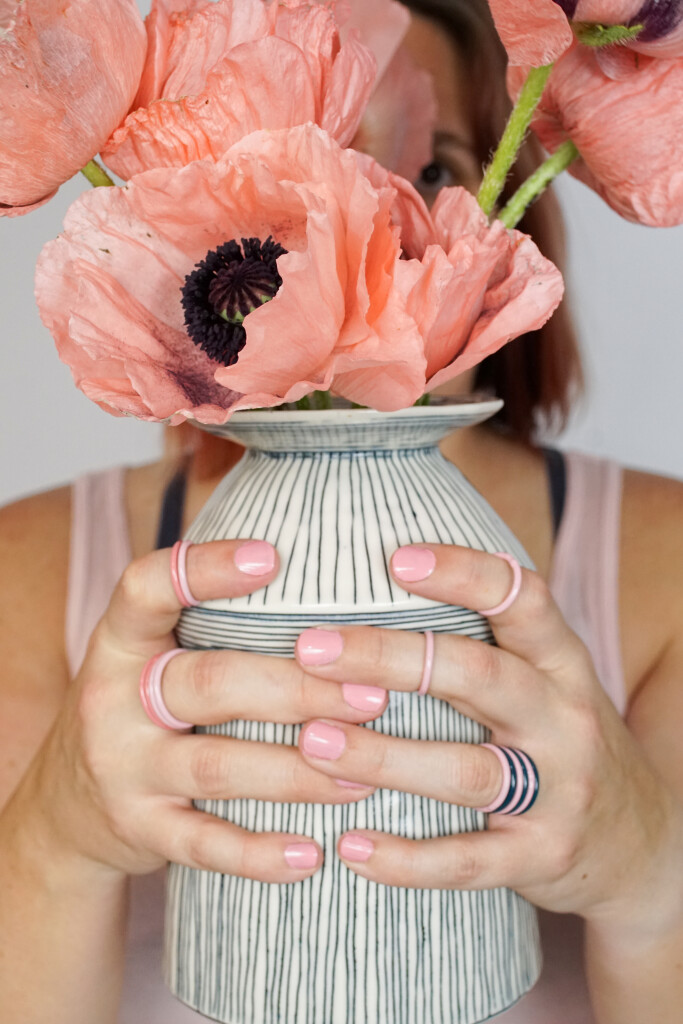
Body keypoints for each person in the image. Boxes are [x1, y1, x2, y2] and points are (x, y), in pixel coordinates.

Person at [0, 1, 681, 1022]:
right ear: (194, 217)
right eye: (300, 166)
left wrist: (651, 883)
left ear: (509, 229)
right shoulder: (24, 576)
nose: (352, 234)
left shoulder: (665, 571)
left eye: (429, 173)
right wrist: (53, 841)